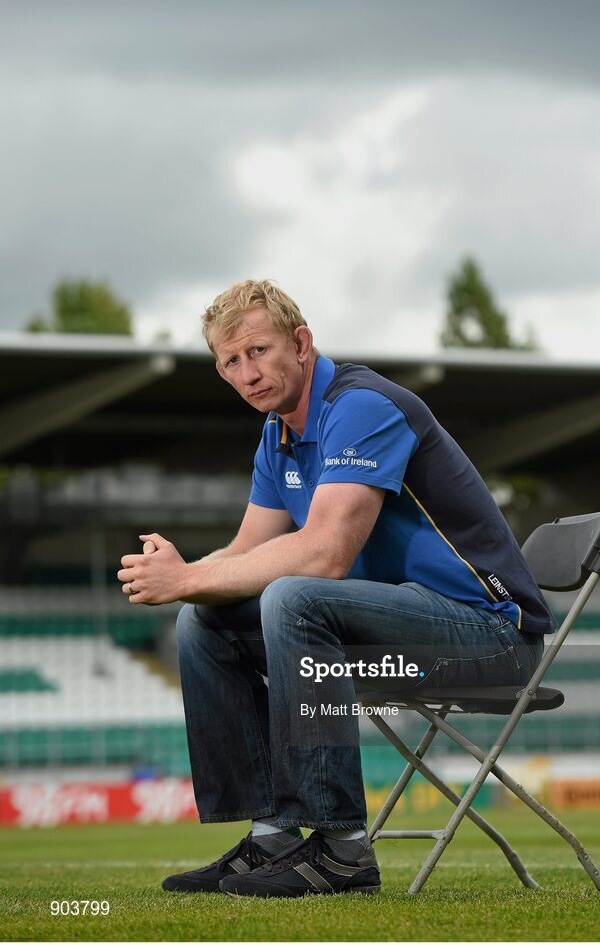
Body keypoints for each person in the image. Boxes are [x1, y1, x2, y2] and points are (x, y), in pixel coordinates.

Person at [118, 279, 555, 898]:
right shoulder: (279, 435)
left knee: (293, 595)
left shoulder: (361, 404)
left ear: (301, 342)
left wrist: (189, 577)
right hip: (404, 629)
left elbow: (324, 554)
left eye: (260, 351)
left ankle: (344, 853)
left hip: (492, 635)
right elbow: (244, 554)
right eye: (231, 362)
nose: (249, 373)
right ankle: (272, 835)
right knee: (203, 618)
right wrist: (181, 576)